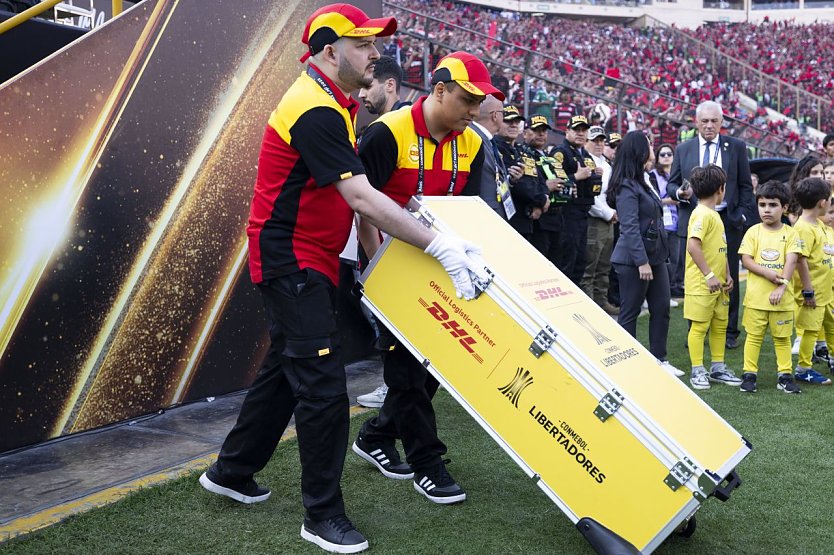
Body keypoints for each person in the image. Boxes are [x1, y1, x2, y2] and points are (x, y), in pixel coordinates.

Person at [198, 7, 484, 553]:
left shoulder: (332, 102)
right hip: (292, 256)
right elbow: (360, 197)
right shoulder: (315, 108)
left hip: (308, 255)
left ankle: (231, 472)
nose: (376, 54)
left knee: (286, 370)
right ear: (329, 52)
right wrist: (439, 244)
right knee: (324, 390)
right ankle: (321, 515)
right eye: (364, 44)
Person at [353, 51, 505, 506]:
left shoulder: (475, 143)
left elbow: (472, 214)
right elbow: (362, 208)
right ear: (439, 91)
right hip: (387, 267)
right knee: (405, 370)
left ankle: (376, 435)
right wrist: (381, 273)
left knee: (434, 365)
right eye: (467, 100)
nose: (475, 111)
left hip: (441, 269)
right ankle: (427, 462)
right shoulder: (386, 134)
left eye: (480, 102)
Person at [667, 100, 754, 350]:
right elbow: (672, 184)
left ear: (721, 122)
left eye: (714, 121)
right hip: (694, 219)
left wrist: (742, 216)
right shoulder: (684, 149)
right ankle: (696, 328)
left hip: (728, 220)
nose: (709, 126)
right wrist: (680, 194)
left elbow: (746, 186)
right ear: (696, 122)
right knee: (694, 275)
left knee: (730, 276)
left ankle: (729, 332)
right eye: (704, 121)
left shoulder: (735, 147)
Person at [355, 55, 411, 411]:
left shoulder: (388, 129)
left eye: (367, 85)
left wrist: (377, 262)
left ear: (389, 84)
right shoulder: (403, 126)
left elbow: (368, 205)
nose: (361, 95)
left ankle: (394, 389)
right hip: (405, 245)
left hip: (393, 248)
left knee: (395, 322)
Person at [607, 132, 681, 378]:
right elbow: (628, 227)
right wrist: (641, 262)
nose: (652, 147)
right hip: (633, 261)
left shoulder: (645, 178)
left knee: (661, 308)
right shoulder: (627, 184)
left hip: (656, 258)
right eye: (649, 144)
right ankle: (628, 366)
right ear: (640, 149)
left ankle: (659, 359)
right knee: (630, 311)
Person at [738, 181, 802, 394]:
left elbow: (791, 262)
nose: (766, 209)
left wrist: (781, 287)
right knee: (753, 337)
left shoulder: (791, 234)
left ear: (784, 208)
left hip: (782, 300)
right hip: (756, 299)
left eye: (773, 205)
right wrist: (766, 273)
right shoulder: (753, 232)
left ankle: (785, 375)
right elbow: (746, 259)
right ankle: (749, 374)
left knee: (783, 338)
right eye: (762, 204)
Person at [683, 166, 742, 390]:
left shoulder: (714, 214)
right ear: (721, 189)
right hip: (702, 284)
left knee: (720, 326)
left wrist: (726, 274)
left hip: (719, 284)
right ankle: (698, 370)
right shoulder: (701, 214)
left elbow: (720, 248)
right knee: (698, 328)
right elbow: (692, 245)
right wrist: (708, 275)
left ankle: (718, 367)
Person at [790, 177, 834, 386]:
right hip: (813, 293)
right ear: (822, 202)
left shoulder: (819, 224)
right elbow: (800, 260)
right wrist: (808, 291)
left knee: (831, 325)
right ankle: (803, 368)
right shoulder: (803, 228)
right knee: (810, 329)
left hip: (826, 291)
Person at [552, 115, 601, 285]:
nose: (580, 133)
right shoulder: (560, 152)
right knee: (567, 260)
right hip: (567, 214)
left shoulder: (584, 154)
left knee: (581, 261)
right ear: (567, 131)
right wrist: (576, 177)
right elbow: (553, 182)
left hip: (583, 213)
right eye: (576, 130)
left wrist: (596, 175)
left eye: (584, 130)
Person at [494, 106, 549, 242]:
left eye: (516, 121)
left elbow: (539, 180)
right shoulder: (494, 147)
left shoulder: (522, 150)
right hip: (508, 221)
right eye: (508, 121)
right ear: (499, 121)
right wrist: (542, 200)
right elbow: (518, 185)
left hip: (528, 221)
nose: (513, 124)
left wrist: (545, 197)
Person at [582, 125, 619, 315]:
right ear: (586, 142)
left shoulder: (605, 163)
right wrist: (608, 213)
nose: (598, 144)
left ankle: (601, 301)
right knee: (590, 264)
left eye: (601, 141)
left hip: (608, 218)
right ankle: (589, 306)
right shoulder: (584, 161)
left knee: (604, 264)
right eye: (594, 140)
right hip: (594, 219)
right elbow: (590, 197)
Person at [524, 115, 565, 264]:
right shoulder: (523, 154)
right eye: (536, 130)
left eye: (544, 131)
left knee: (557, 264)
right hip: (538, 219)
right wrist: (546, 186)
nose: (541, 134)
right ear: (525, 133)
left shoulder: (550, 157)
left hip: (557, 217)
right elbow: (522, 185)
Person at [651, 143, 683, 299]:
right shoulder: (653, 175)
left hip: (677, 221)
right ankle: (662, 293)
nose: (666, 157)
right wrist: (669, 201)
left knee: (676, 259)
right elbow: (651, 199)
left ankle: (671, 289)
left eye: (669, 154)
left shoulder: (678, 174)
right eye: (662, 154)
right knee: (664, 258)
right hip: (660, 221)